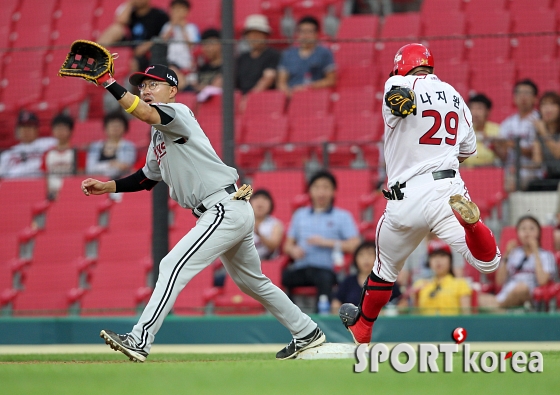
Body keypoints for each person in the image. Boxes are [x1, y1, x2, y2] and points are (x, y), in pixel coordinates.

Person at [79, 63, 325, 361]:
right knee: (253, 282)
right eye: (142, 86)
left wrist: (107, 81)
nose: (145, 90)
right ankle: (307, 332)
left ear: (172, 90)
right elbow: (146, 178)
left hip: (221, 208)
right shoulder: (159, 135)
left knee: (171, 265)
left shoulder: (177, 113)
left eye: (153, 85)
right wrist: (109, 186)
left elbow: (143, 113)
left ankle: (139, 339)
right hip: (227, 208)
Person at [338, 43, 501, 344]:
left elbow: (396, 99)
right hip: (448, 191)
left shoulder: (397, 82)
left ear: (401, 66)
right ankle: (473, 225)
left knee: (384, 269)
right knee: (488, 263)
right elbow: (466, 151)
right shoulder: (454, 94)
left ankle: (362, 328)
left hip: (405, 198)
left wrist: (402, 102)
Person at [282, 170, 361, 311]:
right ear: (310, 191)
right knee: (281, 278)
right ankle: (288, 316)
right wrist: (293, 250)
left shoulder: (342, 216)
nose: (321, 192)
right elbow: (287, 245)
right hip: (302, 267)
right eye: (317, 187)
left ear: (333, 191)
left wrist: (325, 242)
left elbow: (355, 245)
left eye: (326, 187)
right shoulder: (300, 215)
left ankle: (320, 320)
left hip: (327, 269)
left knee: (324, 278)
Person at [479, 216, 556, 309]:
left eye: (531, 228)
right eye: (523, 228)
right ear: (518, 233)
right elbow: (499, 281)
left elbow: (542, 281)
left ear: (539, 233)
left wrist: (535, 251)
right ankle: (501, 310)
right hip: (506, 293)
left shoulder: (546, 255)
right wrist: (506, 254)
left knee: (521, 288)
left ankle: (498, 308)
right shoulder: (513, 253)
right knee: (476, 297)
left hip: (530, 295)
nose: (527, 232)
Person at [331, 240, 401, 314]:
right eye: (361, 255)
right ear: (355, 259)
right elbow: (336, 303)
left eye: (370, 254)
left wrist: (387, 313)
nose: (366, 259)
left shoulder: (386, 281)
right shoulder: (348, 281)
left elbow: (402, 302)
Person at [494, 79, 540, 190]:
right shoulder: (507, 123)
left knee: (509, 183)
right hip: (510, 170)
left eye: (527, 93)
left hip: (532, 171)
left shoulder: (539, 121)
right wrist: (495, 147)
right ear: (514, 98)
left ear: (535, 98)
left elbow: (535, 153)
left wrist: (512, 145)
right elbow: (504, 156)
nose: (523, 97)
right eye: (519, 93)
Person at [98, 0, 169, 72]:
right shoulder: (131, 13)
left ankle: (130, 81)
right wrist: (130, 3)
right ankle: (96, 54)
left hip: (148, 53)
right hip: (131, 46)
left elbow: (164, 36)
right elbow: (120, 21)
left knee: (133, 62)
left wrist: (146, 46)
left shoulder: (159, 15)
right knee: (115, 29)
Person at [277, 16, 336, 96]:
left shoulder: (324, 53)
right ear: (298, 34)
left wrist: (308, 87)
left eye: (309, 32)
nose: (305, 35)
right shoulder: (288, 54)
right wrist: (289, 93)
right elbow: (281, 82)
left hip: (315, 96)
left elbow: (331, 80)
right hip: (291, 96)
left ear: (316, 34)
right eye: (302, 32)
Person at [411, 239, 472, 315]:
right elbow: (414, 317)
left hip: (452, 325)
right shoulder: (419, 285)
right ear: (428, 261)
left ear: (450, 260)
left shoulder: (461, 284)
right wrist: (415, 296)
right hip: (427, 325)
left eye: (442, 255)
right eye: (433, 256)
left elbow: (466, 315)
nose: (438, 260)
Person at [0, 110, 56, 179]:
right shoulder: (8, 153)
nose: (25, 130)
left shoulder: (50, 143)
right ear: (17, 130)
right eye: (22, 127)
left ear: (36, 129)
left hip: (40, 185)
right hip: (15, 186)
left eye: (29, 126)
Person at [236, 15, 280, 95]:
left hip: (263, 99)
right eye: (251, 34)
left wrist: (249, 98)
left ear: (265, 36)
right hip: (240, 98)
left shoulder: (273, 55)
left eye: (257, 34)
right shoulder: (242, 58)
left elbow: (268, 79)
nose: (254, 38)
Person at [160, 0, 199, 89]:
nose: (177, 12)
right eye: (175, 9)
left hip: (186, 64)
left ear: (187, 12)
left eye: (180, 10)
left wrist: (183, 28)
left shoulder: (191, 28)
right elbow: (162, 42)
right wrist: (172, 25)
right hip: (170, 63)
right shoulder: (167, 26)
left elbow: (192, 46)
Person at [86, 111, 137, 179]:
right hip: (98, 182)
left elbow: (124, 168)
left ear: (125, 128)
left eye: (118, 126)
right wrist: (110, 164)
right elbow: (90, 169)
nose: (115, 129)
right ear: (106, 128)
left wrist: (101, 167)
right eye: (112, 125)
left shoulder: (129, 146)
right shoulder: (95, 146)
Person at [41, 114, 77, 199]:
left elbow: (80, 175)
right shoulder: (47, 153)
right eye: (57, 128)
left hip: (71, 193)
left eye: (63, 128)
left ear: (71, 131)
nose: (60, 131)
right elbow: (44, 176)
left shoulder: (77, 152)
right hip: (51, 194)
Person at [529, 91, 560, 190]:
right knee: (532, 185)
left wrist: (543, 131)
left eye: (552, 104)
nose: (547, 108)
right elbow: (537, 162)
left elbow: (558, 153)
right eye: (544, 104)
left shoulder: (542, 131)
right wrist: (517, 167)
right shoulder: (539, 133)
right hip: (552, 177)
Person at [462, 94, 500, 167]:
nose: (475, 112)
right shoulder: (462, 130)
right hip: (465, 171)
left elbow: (504, 157)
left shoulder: (496, 130)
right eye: (472, 108)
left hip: (490, 170)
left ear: (488, 111)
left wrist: (492, 144)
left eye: (479, 108)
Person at [251, 189, 284, 260]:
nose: (260, 202)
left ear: (271, 205)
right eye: (256, 198)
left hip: (267, 263)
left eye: (265, 199)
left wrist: (259, 234)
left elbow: (273, 246)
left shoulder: (275, 224)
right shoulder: (243, 222)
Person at [194, 28, 223, 100]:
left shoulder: (228, 67)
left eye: (210, 44)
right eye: (204, 45)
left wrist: (198, 87)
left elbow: (216, 86)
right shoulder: (202, 68)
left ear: (220, 44)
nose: (206, 48)